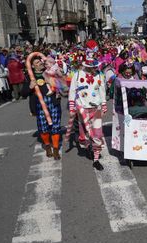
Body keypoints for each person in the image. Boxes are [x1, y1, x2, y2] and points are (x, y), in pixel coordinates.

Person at [68, 40, 107, 171]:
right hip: (82, 109)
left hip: (96, 109)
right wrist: (73, 106)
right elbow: (72, 90)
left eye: (94, 66)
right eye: (90, 66)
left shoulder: (99, 75)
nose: (92, 68)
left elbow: (102, 90)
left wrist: (104, 104)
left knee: (97, 134)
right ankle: (86, 145)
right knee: (84, 136)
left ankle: (96, 159)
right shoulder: (78, 75)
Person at [21, 56, 62, 160]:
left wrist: (57, 78)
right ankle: (48, 146)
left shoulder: (50, 70)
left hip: (53, 102)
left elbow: (61, 82)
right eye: (37, 62)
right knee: (43, 128)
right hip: (39, 104)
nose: (40, 63)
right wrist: (30, 87)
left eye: (40, 61)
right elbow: (23, 93)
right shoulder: (29, 76)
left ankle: (56, 149)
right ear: (33, 66)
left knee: (55, 126)